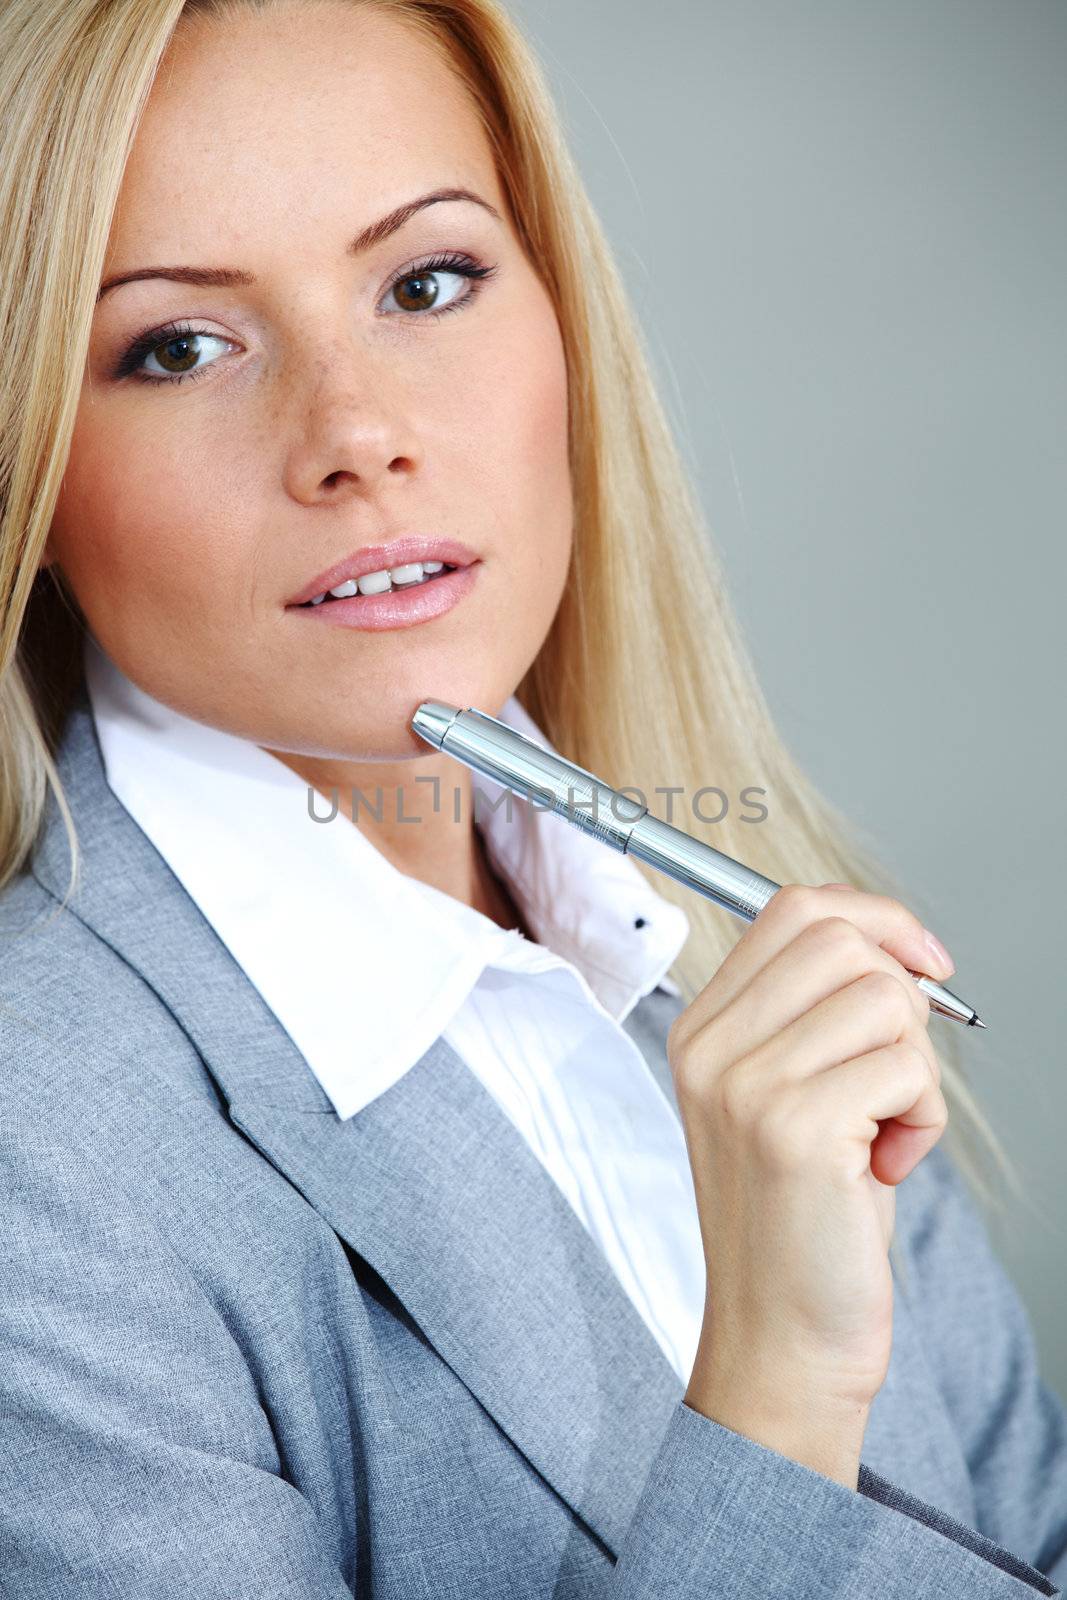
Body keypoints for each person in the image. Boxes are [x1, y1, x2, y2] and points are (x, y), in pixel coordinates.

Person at [1, 1, 1064, 1594]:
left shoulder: (725, 943)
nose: (357, 436)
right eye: (176, 344)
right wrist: (774, 1396)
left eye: (426, 282)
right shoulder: (43, 1152)